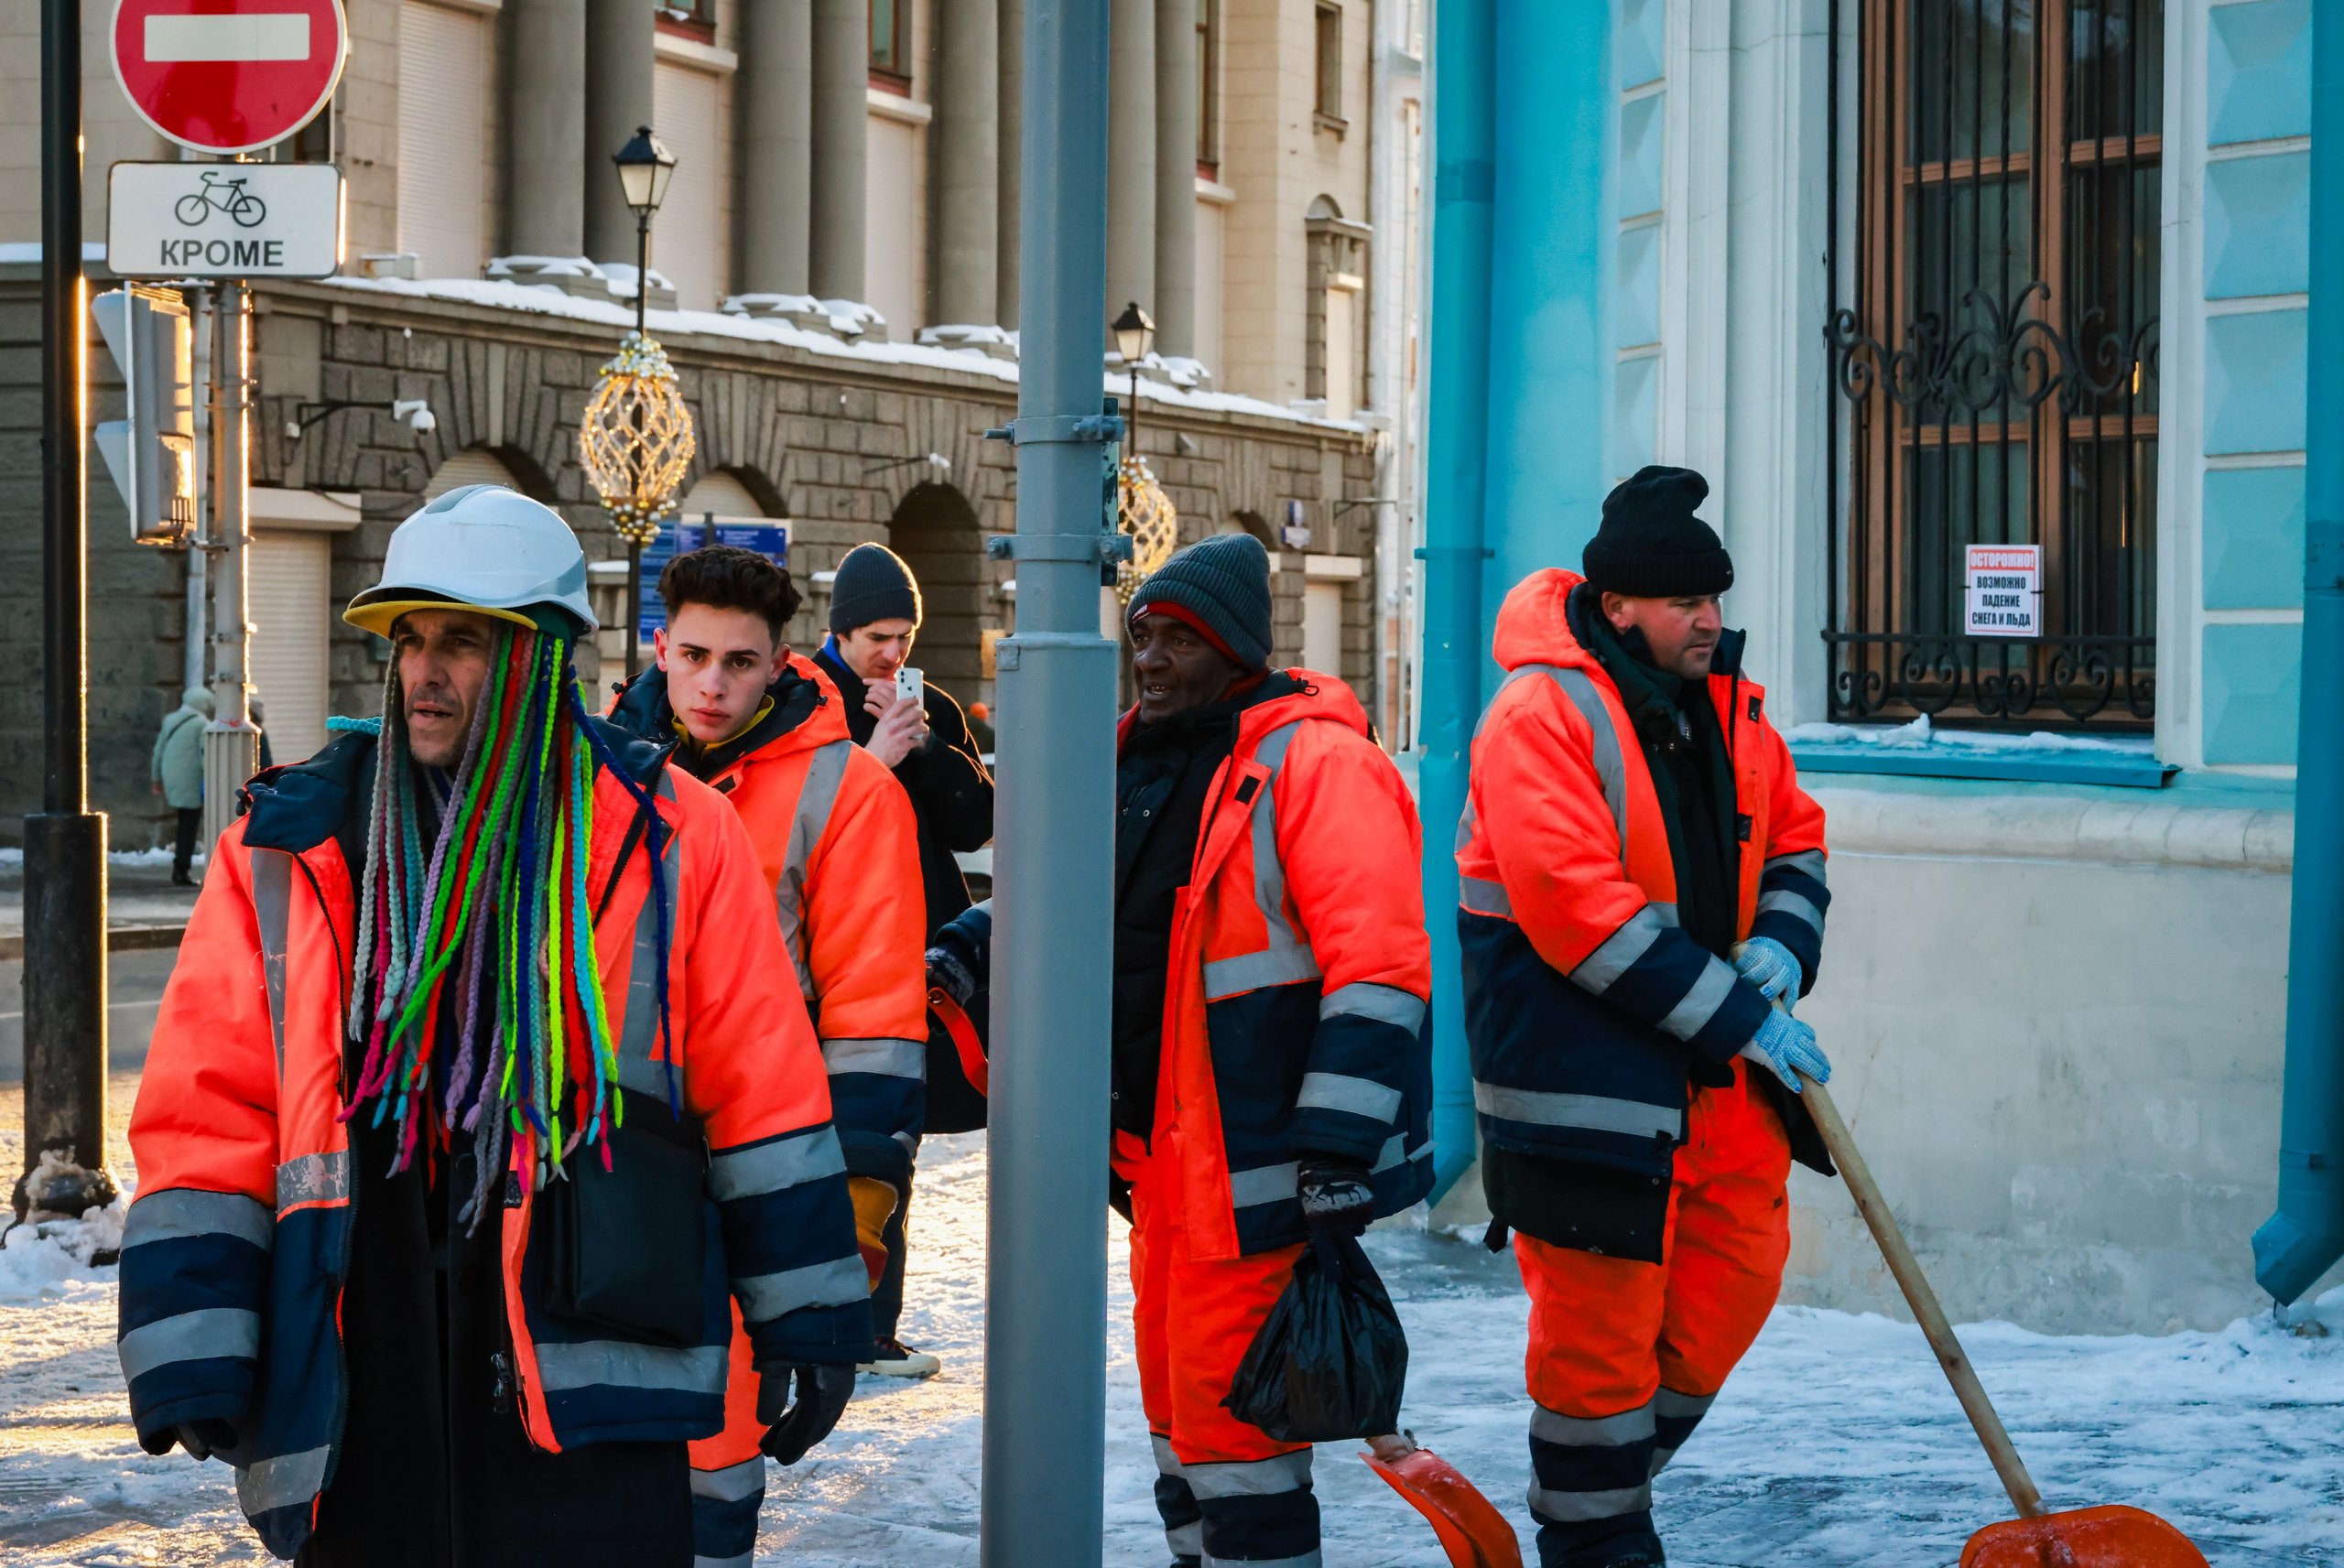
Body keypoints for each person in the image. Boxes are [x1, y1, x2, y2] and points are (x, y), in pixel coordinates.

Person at [114, 486, 873, 1568]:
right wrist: (195, 1333)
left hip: (594, 1355)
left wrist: (809, 1312)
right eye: (409, 638)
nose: (421, 670)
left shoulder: (670, 834)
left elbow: (761, 1087)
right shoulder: (289, 845)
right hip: (363, 1347)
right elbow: (208, 1105)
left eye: (461, 642)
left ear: (539, 656)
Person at [1456, 466, 1834, 1568]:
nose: (1710, 621)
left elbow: (1799, 840)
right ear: (1618, 604)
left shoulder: (1731, 708)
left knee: (1737, 1282)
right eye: (1685, 604)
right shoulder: (1540, 714)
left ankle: (1595, 1484)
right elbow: (1580, 914)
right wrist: (1740, 1017)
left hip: (1717, 1093)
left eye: (1714, 601)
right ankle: (1597, 1537)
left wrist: (1782, 947)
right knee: (1596, 1348)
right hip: (1587, 1092)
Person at [1113, 533, 1434, 1568]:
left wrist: (1335, 1152)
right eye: (1143, 636)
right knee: (1179, 1427)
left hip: (1256, 1175)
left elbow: (1379, 963)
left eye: (1181, 640)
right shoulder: (1138, 762)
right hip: (1160, 1172)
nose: (1152, 660)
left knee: (1238, 1446)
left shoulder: (1317, 762)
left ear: (1239, 652)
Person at [607, 544, 930, 1562]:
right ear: (659, 647)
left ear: (782, 661)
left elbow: (875, 1028)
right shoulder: (597, 774)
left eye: (738, 663)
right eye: (692, 655)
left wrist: (845, 1263)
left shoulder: (848, 794)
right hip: (601, 1163)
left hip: (751, 1165)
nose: (711, 684)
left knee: (719, 1450)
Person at [811, 543, 995, 1354]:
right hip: (837, 948)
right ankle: (831, 1318)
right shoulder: (807, 703)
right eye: (879, 637)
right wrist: (872, 760)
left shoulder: (932, 710)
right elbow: (807, 825)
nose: (895, 654)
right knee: (839, 1139)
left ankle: (875, 1326)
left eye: (905, 635)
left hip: (915, 954)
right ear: (842, 634)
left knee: (894, 1139)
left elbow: (978, 822)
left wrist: (927, 750)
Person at [150, 687, 212, 885]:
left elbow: (159, 750)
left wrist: (156, 777)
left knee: (184, 820)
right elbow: (206, 756)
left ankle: (180, 867)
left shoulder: (170, 719)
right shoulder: (202, 724)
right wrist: (211, 780)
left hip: (171, 776)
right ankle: (181, 869)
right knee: (189, 825)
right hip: (191, 779)